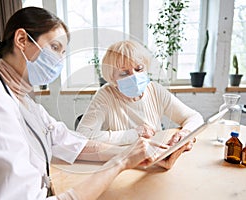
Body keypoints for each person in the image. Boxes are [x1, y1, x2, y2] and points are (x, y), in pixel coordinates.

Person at [0, 7, 188, 200]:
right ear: (22, 39)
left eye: (63, 52)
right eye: (54, 48)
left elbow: (73, 143)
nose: (58, 60)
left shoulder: (24, 101)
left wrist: (141, 154)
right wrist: (121, 162)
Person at [76, 40, 204, 146]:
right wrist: (135, 134)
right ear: (112, 78)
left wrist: (186, 132)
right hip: (123, 161)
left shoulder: (155, 90)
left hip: (155, 157)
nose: (134, 76)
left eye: (139, 69)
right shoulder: (106, 95)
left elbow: (194, 117)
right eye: (124, 73)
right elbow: (83, 135)